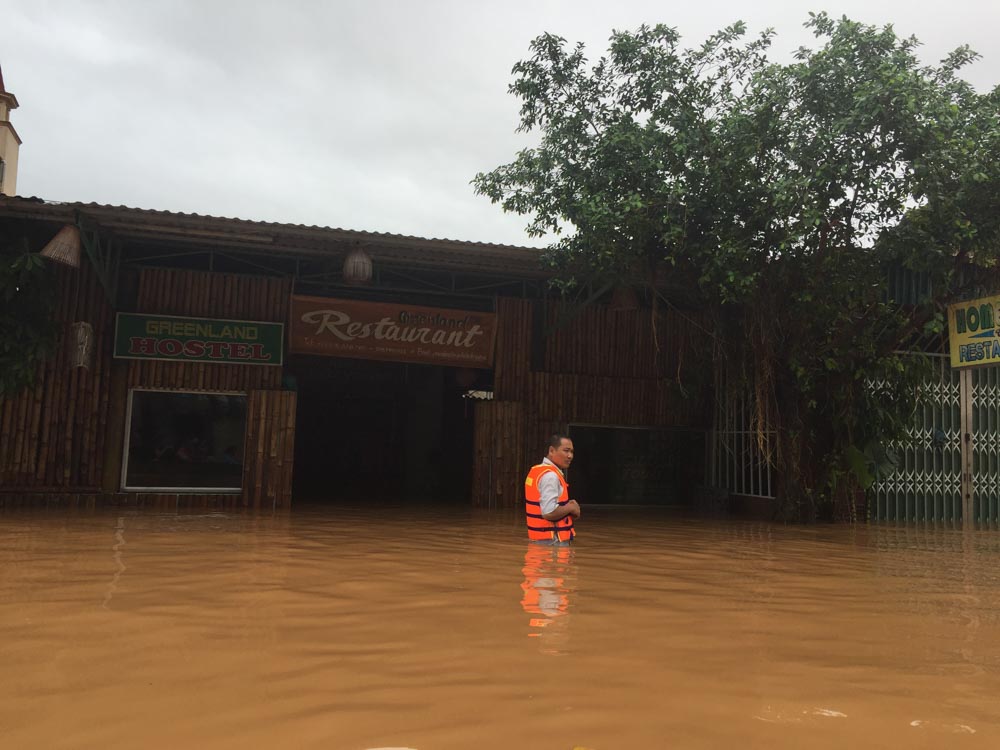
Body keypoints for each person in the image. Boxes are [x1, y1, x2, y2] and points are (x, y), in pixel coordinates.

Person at [524, 434, 581, 543]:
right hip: (552, 546)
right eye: (566, 451)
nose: (570, 456)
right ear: (551, 451)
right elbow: (549, 512)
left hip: (541, 544)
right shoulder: (551, 476)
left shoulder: (538, 471)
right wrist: (571, 508)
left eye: (572, 452)